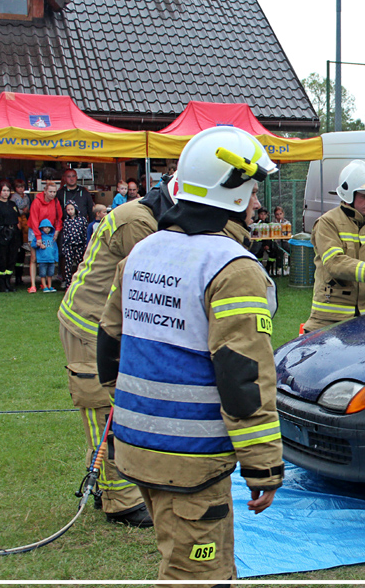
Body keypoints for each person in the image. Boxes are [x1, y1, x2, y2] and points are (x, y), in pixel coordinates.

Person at [97, 126, 283, 583]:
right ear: (233, 189)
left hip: (137, 446)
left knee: (174, 555)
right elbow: (244, 377)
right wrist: (263, 465)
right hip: (191, 458)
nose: (257, 203)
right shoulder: (231, 267)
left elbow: (108, 346)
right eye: (254, 190)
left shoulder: (142, 251)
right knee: (198, 574)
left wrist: (131, 418)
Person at [58, 175, 178, 528]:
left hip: (106, 318)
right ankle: (119, 500)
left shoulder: (148, 215)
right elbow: (152, 283)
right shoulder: (139, 222)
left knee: (119, 404)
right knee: (105, 407)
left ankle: (107, 484)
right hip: (91, 323)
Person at [302, 160, 365, 333]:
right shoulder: (328, 223)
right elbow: (335, 262)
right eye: (364, 196)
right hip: (331, 318)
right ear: (348, 195)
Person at [28, 179, 63, 294]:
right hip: (35, 230)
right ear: (45, 191)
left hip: (49, 232)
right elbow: (33, 220)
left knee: (48, 256)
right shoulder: (37, 202)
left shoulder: (56, 202)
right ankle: (33, 284)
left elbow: (59, 218)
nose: (52, 194)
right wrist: (38, 237)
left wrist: (57, 230)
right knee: (34, 258)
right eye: (50, 192)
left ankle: (46, 283)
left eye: (54, 192)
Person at [0, 180, 21, 292]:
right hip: (1, 235)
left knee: (11, 259)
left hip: (13, 234)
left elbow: (17, 220)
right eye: (4, 190)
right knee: (0, 259)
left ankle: (8, 282)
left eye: (8, 190)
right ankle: (1, 284)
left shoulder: (12, 204)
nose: (6, 193)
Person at [60, 201, 88, 290]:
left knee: (80, 263)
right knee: (68, 264)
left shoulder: (82, 220)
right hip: (69, 245)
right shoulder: (66, 221)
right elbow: (64, 234)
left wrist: (85, 245)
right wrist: (64, 247)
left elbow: (85, 233)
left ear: (75, 209)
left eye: (71, 209)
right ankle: (68, 283)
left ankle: (81, 282)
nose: (70, 211)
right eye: (68, 210)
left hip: (79, 244)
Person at [11, 178, 31, 286]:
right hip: (17, 219)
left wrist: (25, 211)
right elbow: (13, 209)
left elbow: (28, 207)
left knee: (26, 229)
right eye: (18, 187)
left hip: (25, 218)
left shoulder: (27, 197)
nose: (21, 189)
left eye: (22, 187)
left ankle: (25, 242)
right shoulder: (14, 197)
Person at [32, 219, 58, 293]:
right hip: (42, 259)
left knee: (50, 273)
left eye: (48, 227)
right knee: (43, 274)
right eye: (45, 227)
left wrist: (55, 257)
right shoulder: (39, 237)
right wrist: (39, 245)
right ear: (42, 228)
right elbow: (33, 244)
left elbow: (55, 248)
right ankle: (44, 286)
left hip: (51, 259)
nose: (47, 229)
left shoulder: (52, 237)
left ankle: (50, 286)